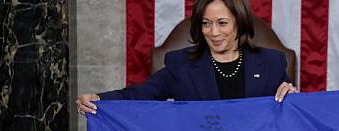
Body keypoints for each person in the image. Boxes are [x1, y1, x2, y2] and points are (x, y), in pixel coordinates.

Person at [76, 0, 296, 115]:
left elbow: (290, 116)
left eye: (222, 23)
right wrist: (100, 99)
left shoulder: (271, 63)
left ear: (239, 23)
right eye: (206, 24)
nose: (213, 32)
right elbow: (140, 94)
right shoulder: (181, 65)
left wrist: (293, 98)